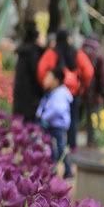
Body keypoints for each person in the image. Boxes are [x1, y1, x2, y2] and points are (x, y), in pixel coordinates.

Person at [37, 29, 94, 158]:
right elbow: (89, 71)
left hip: (55, 93)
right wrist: (82, 86)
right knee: (72, 120)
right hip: (73, 93)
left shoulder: (51, 53)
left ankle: (54, 151)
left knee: (53, 122)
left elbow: (41, 71)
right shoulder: (77, 53)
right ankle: (71, 146)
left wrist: (47, 85)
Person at [37, 66, 74, 178]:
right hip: (52, 124)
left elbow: (57, 109)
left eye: (49, 77)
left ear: (56, 80)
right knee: (52, 148)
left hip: (59, 125)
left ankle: (67, 170)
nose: (45, 80)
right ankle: (53, 170)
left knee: (61, 147)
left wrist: (44, 116)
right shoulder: (52, 92)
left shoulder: (61, 93)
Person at [80, 33, 104, 146]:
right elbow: (103, 74)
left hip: (82, 90)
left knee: (87, 116)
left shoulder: (81, 50)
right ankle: (95, 141)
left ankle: (89, 140)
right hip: (96, 91)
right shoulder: (99, 52)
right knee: (96, 116)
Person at [12, 26, 44, 123]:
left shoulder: (22, 52)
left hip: (19, 96)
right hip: (32, 98)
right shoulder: (34, 53)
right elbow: (37, 73)